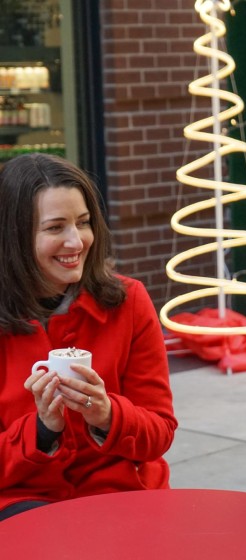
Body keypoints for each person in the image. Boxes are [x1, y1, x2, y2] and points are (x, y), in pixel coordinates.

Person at [0, 153, 178, 521]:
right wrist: (41, 429)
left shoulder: (128, 301)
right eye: (55, 228)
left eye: (83, 223)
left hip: (122, 495)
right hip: (21, 501)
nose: (76, 242)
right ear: (14, 235)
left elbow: (160, 433)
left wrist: (108, 415)